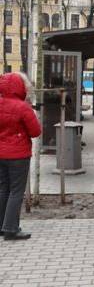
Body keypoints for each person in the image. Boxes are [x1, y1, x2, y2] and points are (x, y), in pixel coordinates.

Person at [0, 73, 41, 241]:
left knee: (3, 189)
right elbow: (35, 131)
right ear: (21, 87)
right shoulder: (23, 107)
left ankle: (2, 225)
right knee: (16, 192)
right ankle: (11, 229)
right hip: (18, 155)